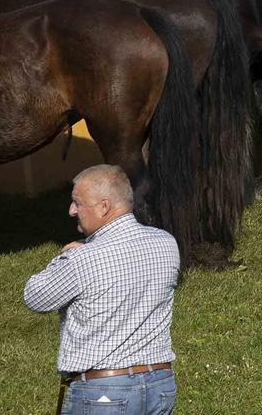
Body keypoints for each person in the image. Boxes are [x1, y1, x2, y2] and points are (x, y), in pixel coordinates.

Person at [22, 164, 180, 415]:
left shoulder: (82, 260)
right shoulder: (166, 243)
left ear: (104, 207)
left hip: (103, 392)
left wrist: (65, 255)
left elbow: (35, 297)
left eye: (77, 203)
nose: (71, 210)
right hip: (159, 385)